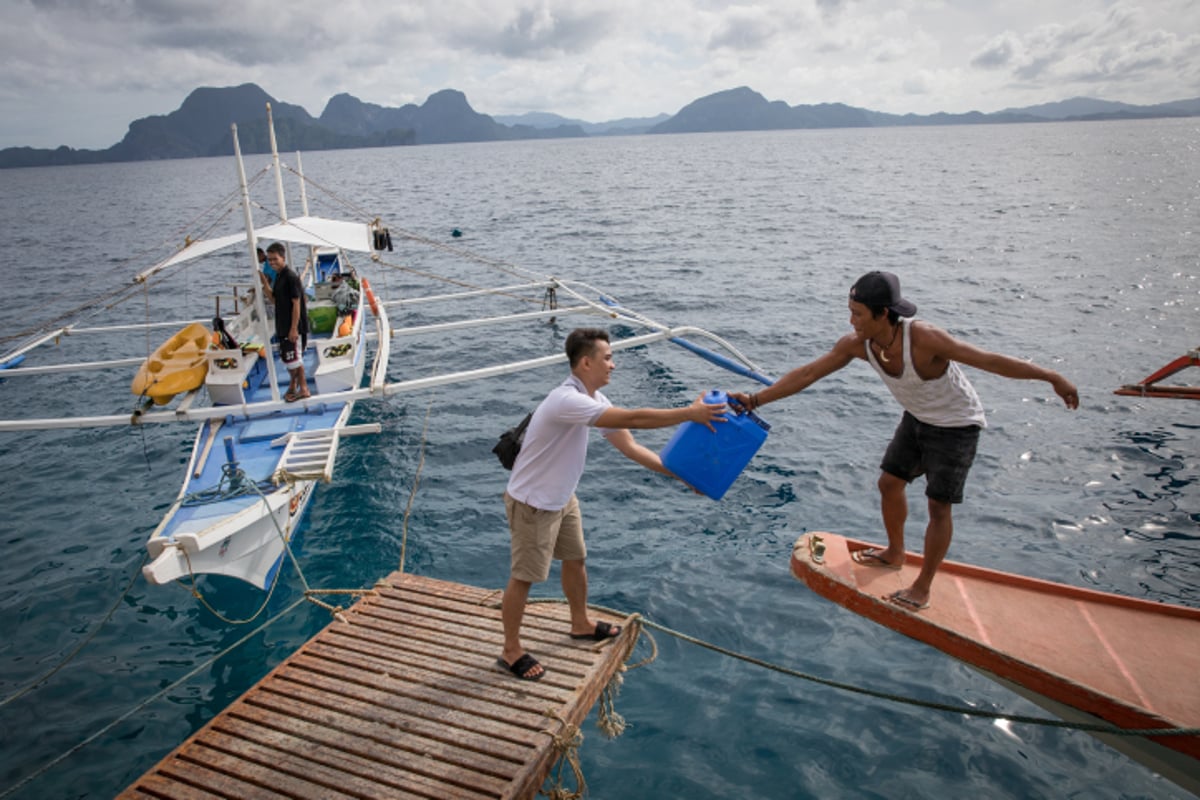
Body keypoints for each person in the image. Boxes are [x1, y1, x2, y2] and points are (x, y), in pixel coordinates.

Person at [732, 271, 1078, 611]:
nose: (852, 321)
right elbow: (808, 374)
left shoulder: (925, 339)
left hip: (957, 425)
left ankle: (923, 586)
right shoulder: (858, 345)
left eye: (858, 314)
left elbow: (989, 361)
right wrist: (755, 399)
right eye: (850, 312)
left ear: (884, 314)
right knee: (889, 483)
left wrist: (1051, 376)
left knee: (938, 506)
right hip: (918, 418)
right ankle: (895, 553)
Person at [498, 327, 727, 681]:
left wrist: (685, 478)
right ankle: (510, 650)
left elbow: (632, 447)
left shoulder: (592, 400)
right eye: (607, 358)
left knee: (576, 559)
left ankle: (580, 622)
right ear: (586, 362)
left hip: (561, 497)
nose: (613, 365)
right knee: (525, 577)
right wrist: (690, 412)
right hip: (534, 502)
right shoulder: (566, 401)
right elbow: (634, 417)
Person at [267, 242, 309, 402]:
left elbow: (296, 303)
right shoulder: (278, 276)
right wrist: (264, 284)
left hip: (293, 326)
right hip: (283, 325)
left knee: (294, 359)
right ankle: (293, 386)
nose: (272, 263)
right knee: (288, 359)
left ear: (283, 258)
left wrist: (293, 329)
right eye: (269, 260)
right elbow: (274, 300)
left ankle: (304, 388)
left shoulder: (290, 277)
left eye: (275, 259)